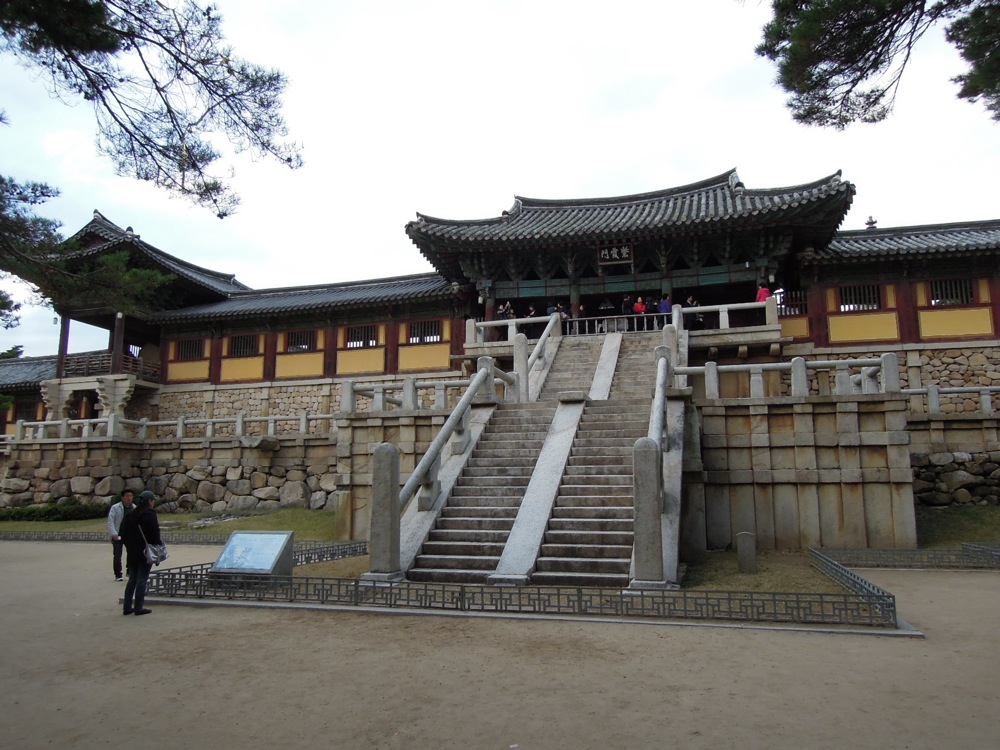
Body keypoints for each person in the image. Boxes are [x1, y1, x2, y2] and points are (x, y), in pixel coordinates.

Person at [120, 490, 161, 616]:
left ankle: (127, 606)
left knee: (132, 579)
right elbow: (155, 534)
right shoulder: (150, 515)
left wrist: (129, 546)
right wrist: (157, 545)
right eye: (153, 501)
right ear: (150, 501)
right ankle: (138, 607)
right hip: (145, 551)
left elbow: (123, 534)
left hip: (132, 551)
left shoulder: (130, 515)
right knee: (142, 579)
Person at [107, 488, 136, 581]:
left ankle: (130, 570)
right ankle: (118, 574)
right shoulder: (115, 507)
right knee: (117, 555)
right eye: (127, 496)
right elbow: (110, 521)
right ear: (122, 497)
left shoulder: (134, 508)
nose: (129, 498)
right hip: (118, 535)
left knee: (132, 553)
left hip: (130, 535)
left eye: (131, 496)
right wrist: (113, 533)